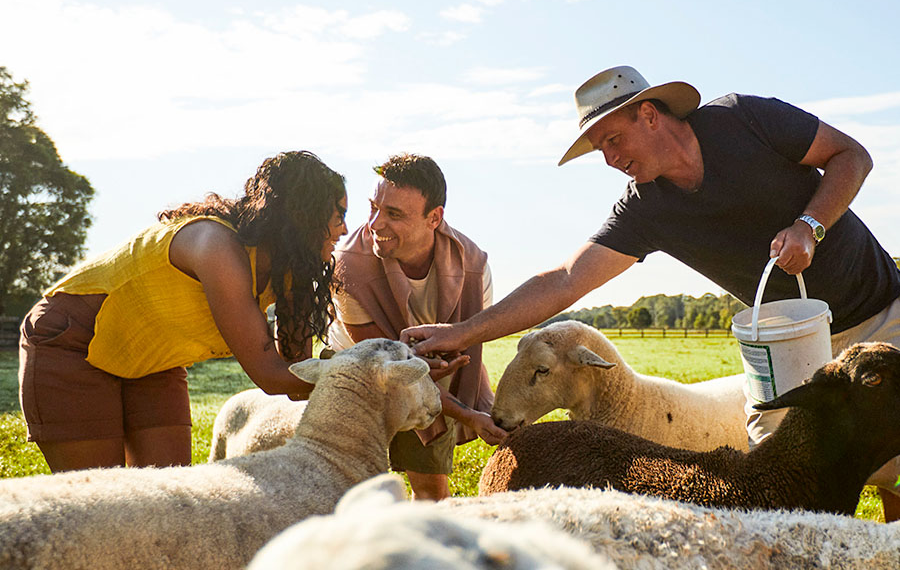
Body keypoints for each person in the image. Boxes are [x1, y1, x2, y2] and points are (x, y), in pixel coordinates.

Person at [402, 66, 900, 520]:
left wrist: (810, 225)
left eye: (614, 140)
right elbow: (566, 279)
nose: (612, 159)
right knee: (782, 482)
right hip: (784, 342)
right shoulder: (644, 209)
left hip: (880, 312)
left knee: (895, 452)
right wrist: (462, 332)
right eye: (601, 150)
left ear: (649, 114)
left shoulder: (744, 119)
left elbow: (851, 154)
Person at [19, 150, 348, 473]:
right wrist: (359, 374)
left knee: (167, 499)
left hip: (153, 360)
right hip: (73, 343)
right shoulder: (216, 246)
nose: (344, 230)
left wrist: (353, 376)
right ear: (305, 216)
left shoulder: (289, 273)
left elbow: (294, 380)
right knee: (103, 505)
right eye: (339, 216)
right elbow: (269, 375)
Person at [327, 153, 506, 500]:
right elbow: (385, 366)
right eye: (373, 207)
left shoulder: (474, 266)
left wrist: (484, 409)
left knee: (432, 493)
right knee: (352, 492)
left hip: (433, 377)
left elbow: (474, 347)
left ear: (434, 218)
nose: (375, 224)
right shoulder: (348, 267)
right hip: (359, 372)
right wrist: (467, 415)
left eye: (394, 214)